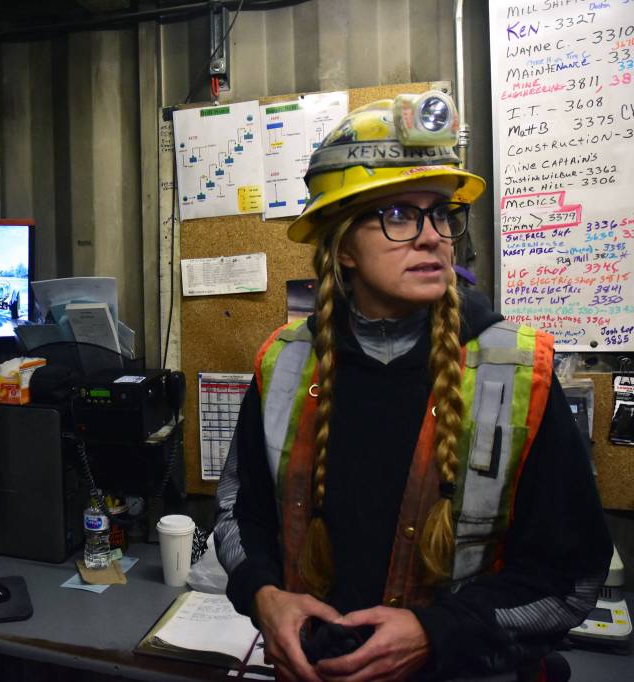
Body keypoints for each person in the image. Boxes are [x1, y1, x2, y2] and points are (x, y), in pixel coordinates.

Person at [213, 94, 612, 682]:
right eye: (398, 215)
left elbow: (571, 581)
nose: (433, 237)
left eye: (440, 214)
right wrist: (265, 597)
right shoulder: (286, 363)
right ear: (343, 247)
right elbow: (234, 513)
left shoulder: (521, 373)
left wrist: (436, 634)